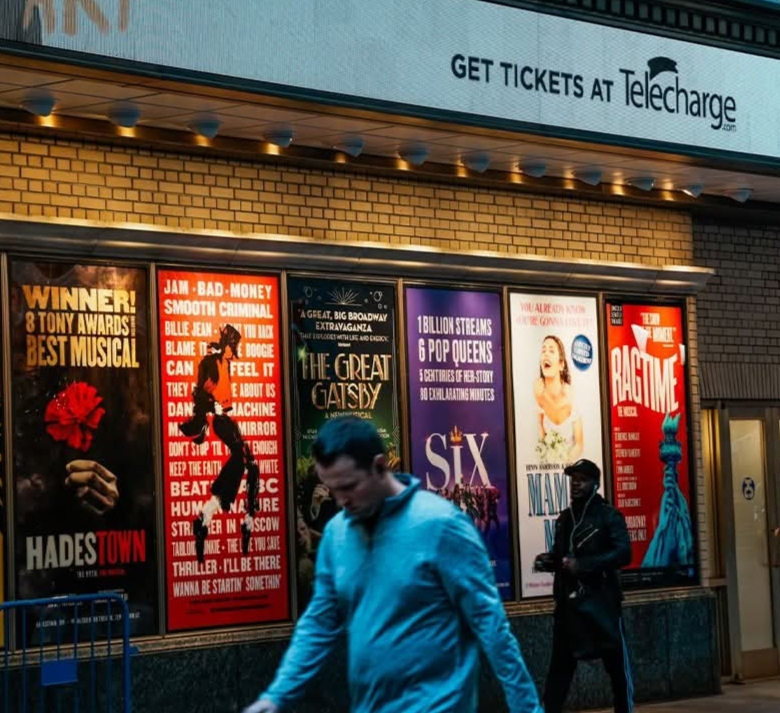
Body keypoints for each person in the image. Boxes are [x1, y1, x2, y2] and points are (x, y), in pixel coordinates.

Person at [243, 416, 543, 713]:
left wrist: (527, 708)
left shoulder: (441, 526)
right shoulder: (336, 534)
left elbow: (491, 625)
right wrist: (276, 696)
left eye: (349, 487)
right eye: (332, 489)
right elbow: (319, 622)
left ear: (380, 466)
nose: (341, 500)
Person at [534, 458, 633, 713]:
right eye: (573, 480)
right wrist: (550, 561)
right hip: (570, 609)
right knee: (559, 673)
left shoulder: (609, 516)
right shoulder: (565, 518)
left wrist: (584, 565)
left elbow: (624, 553)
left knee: (617, 671)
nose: (575, 484)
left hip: (602, 606)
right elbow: (562, 555)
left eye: (582, 480)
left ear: (595, 484)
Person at [179, 324, 260, 562]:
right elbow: (199, 392)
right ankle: (224, 510)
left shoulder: (226, 363)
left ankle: (228, 516)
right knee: (242, 458)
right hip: (220, 421)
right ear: (227, 345)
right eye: (233, 345)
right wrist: (210, 405)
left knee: (250, 464)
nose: (235, 350)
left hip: (228, 419)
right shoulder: (211, 362)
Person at [534, 335, 583, 463]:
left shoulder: (572, 396)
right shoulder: (537, 391)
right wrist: (547, 460)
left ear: (561, 365)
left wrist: (565, 463)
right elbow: (540, 430)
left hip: (571, 465)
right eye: (543, 350)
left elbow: (579, 444)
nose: (546, 354)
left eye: (551, 351)